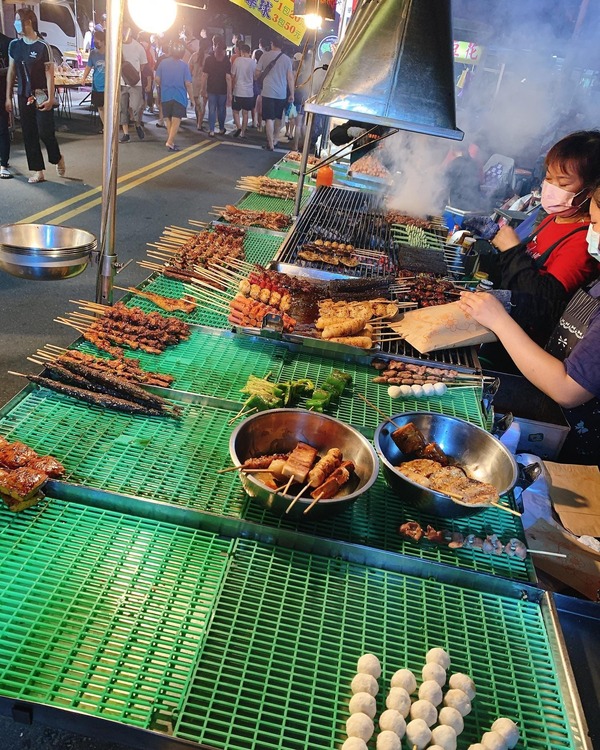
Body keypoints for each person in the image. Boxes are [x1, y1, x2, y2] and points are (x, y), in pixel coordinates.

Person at [458, 184, 600, 466]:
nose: (590, 232)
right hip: (544, 409)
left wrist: (500, 321)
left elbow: (568, 388)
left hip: (572, 451)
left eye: (595, 223)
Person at [480, 130, 600, 345]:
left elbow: (542, 303)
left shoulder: (582, 241)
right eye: (548, 178)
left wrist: (512, 250)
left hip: (527, 345)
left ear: (591, 190)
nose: (552, 188)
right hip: (506, 328)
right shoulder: (553, 218)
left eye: (563, 184)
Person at [5, 8, 65, 183]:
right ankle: (38, 171)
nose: (16, 23)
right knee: (29, 133)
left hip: (41, 94)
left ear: (29, 22)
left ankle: (56, 157)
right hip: (23, 95)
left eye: (18, 20)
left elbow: (49, 74)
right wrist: (8, 96)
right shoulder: (14, 45)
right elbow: (11, 72)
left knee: (45, 132)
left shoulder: (42, 46)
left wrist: (51, 97)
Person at [254, 36, 294, 151]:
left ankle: (270, 143)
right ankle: (276, 139)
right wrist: (292, 93)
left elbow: (257, 73)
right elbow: (290, 78)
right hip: (281, 93)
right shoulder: (286, 59)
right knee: (277, 117)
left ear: (272, 43)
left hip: (267, 92)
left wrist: (259, 77)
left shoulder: (264, 55)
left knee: (269, 119)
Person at [155, 41, 192, 152]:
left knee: (168, 120)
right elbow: (188, 83)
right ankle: (170, 141)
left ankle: (171, 142)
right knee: (176, 120)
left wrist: (163, 86)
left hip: (166, 95)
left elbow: (157, 79)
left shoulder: (163, 63)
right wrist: (192, 98)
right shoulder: (184, 66)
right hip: (179, 96)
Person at [119, 25, 147, 143]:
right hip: (121, 82)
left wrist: (132, 73)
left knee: (135, 106)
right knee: (123, 108)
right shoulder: (118, 47)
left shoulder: (139, 47)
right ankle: (126, 133)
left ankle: (137, 124)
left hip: (135, 82)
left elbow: (143, 65)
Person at [202, 35, 231, 137]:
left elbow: (205, 75)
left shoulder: (209, 59)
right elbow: (228, 78)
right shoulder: (226, 60)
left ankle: (211, 130)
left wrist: (203, 89)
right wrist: (230, 93)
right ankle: (221, 128)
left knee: (212, 109)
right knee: (221, 109)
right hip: (222, 89)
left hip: (211, 88)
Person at [82, 29, 106, 133]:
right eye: (94, 40)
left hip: (109, 86)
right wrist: (83, 78)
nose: (95, 43)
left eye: (97, 41)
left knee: (109, 107)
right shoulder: (93, 54)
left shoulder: (110, 53)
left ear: (103, 41)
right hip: (97, 85)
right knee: (100, 107)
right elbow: (88, 67)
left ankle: (109, 126)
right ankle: (106, 127)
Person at [231, 43, 255, 139]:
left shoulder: (237, 61)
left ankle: (239, 127)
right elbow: (255, 76)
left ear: (241, 52)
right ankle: (243, 133)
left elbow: (232, 75)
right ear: (249, 52)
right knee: (245, 113)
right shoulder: (253, 62)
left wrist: (232, 87)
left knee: (235, 111)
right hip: (249, 92)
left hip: (238, 90)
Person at [0, 29, 13, 179]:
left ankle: (4, 164)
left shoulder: (7, 43)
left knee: (3, 128)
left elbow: (12, 68)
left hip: (2, 93)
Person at [188, 43, 207, 131]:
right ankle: (200, 123)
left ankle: (198, 121)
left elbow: (189, 69)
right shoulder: (208, 58)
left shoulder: (194, 56)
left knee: (197, 104)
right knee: (203, 104)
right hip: (205, 82)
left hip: (194, 81)